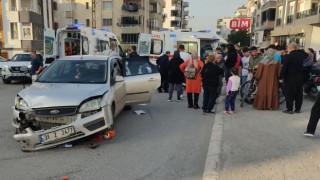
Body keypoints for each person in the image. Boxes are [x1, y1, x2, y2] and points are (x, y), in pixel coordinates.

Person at [280, 42, 308, 114]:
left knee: (289, 93)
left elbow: (284, 68)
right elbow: (306, 54)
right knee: (299, 94)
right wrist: (298, 49)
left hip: (290, 78)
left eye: (288, 48)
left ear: (291, 48)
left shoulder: (288, 56)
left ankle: (289, 109)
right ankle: (298, 109)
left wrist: (281, 77)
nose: (287, 49)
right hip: (299, 77)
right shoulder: (301, 55)